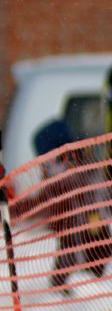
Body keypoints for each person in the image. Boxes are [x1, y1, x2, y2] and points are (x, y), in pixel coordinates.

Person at [28, 118, 110, 294]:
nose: (44, 170)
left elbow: (75, 245)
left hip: (93, 285)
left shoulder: (74, 187)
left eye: (46, 163)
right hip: (92, 281)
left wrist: (60, 283)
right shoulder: (86, 175)